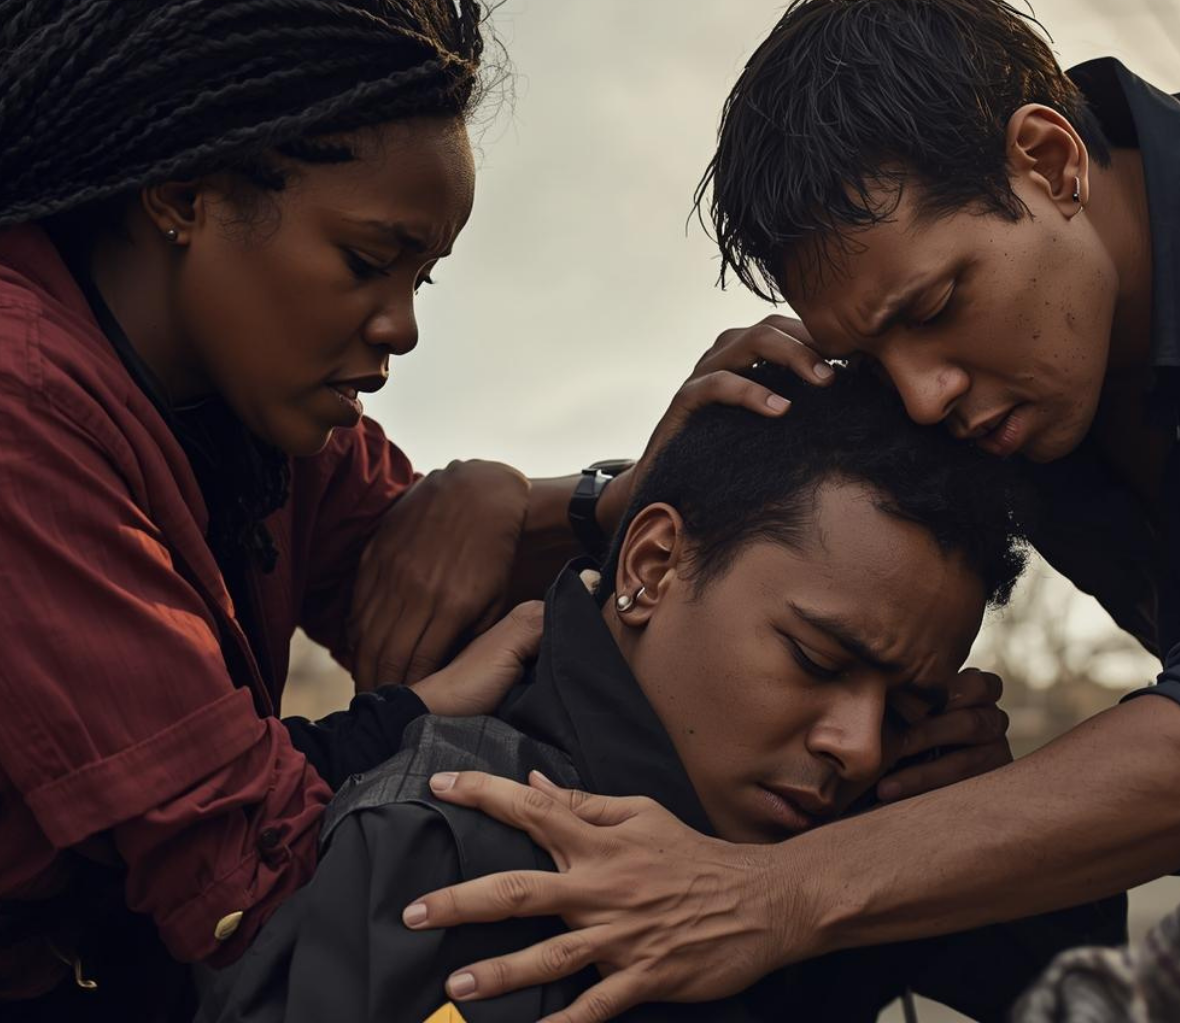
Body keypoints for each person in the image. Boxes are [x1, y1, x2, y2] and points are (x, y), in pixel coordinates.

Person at [0, 0, 845, 1019]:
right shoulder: (22, 401)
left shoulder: (262, 413)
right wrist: (421, 712)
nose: (402, 327)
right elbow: (241, 877)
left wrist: (626, 496)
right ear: (183, 195)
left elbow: (410, 570)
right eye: (368, 261)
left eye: (421, 276)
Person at [387, 0, 1180, 1022]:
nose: (923, 398)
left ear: (1049, 161)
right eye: (872, 354)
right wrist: (577, 499)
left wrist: (773, 895)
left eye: (934, 306)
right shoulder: (1027, 373)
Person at [194, 365, 1125, 1023]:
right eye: (814, 659)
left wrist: (978, 829)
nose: (860, 745)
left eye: (908, 706)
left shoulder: (851, 848)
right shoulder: (447, 850)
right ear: (651, 564)